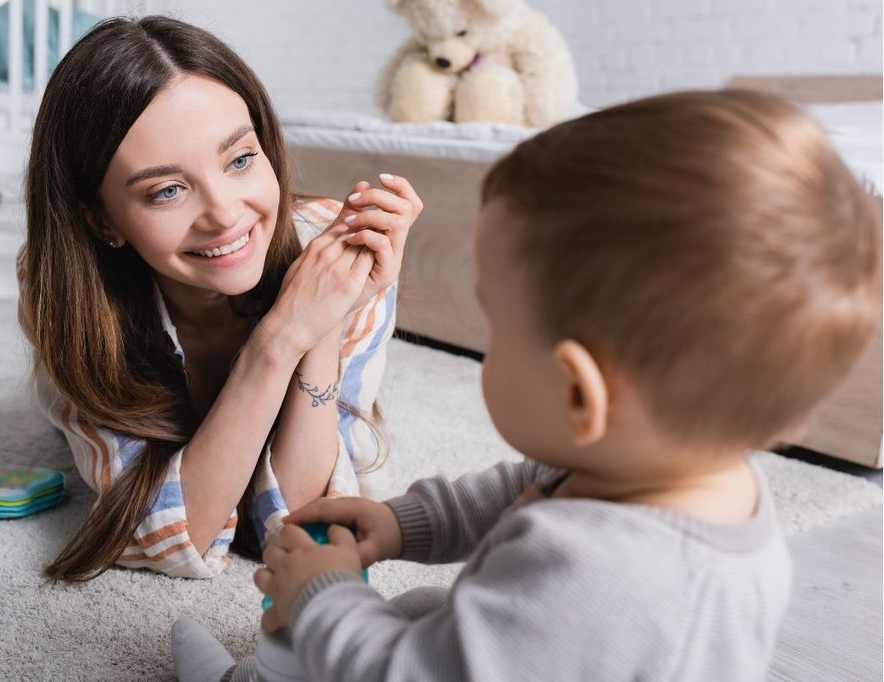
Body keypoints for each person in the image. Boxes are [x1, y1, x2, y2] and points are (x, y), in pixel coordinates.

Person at [173, 89, 881, 680]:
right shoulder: (680, 474)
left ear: (578, 392)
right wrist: (403, 524)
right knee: (422, 608)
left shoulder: (593, 575)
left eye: (497, 323)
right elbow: (526, 488)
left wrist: (319, 596)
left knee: (358, 637)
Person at [17, 16, 422, 582]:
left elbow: (304, 525)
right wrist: (279, 340)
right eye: (167, 190)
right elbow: (162, 535)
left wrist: (322, 322)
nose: (226, 214)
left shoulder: (341, 246)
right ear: (102, 220)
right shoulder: (72, 298)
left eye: (240, 159)